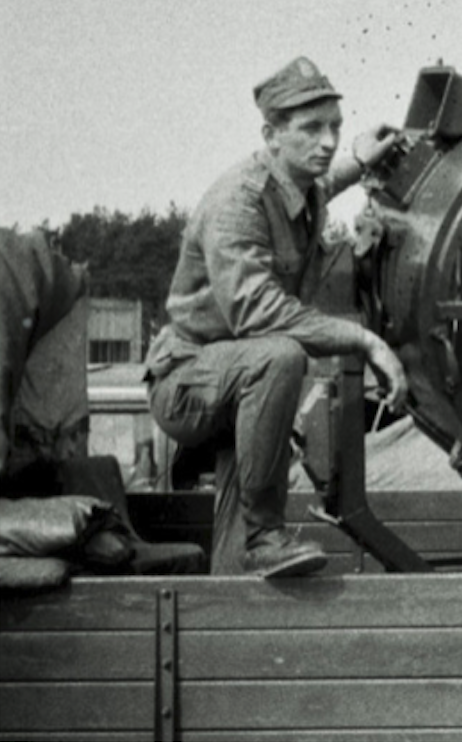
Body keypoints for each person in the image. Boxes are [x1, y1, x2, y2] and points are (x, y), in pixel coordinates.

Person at [145, 56, 407, 578]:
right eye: (311, 129)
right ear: (271, 135)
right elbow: (257, 312)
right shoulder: (237, 202)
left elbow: (322, 185)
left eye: (334, 126)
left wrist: (359, 156)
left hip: (229, 376)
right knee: (280, 356)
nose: (328, 141)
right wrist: (365, 341)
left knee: (232, 523)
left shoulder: (294, 184)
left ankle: (229, 602)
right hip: (188, 380)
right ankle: (266, 538)